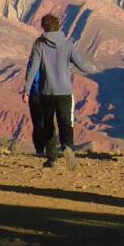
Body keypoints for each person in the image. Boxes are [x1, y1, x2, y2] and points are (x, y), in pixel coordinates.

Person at [22, 13, 97, 168]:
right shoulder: (68, 44)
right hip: (65, 92)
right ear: (58, 26)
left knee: (49, 125)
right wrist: (94, 69)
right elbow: (81, 65)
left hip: (46, 93)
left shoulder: (39, 46)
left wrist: (26, 90)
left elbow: (32, 69)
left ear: (44, 27)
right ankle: (67, 148)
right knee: (65, 123)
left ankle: (52, 159)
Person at [25, 65, 51, 156]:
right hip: (46, 94)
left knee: (38, 123)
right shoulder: (46, 58)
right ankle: (46, 149)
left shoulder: (34, 60)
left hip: (38, 94)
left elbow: (31, 78)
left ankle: (40, 150)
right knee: (45, 122)